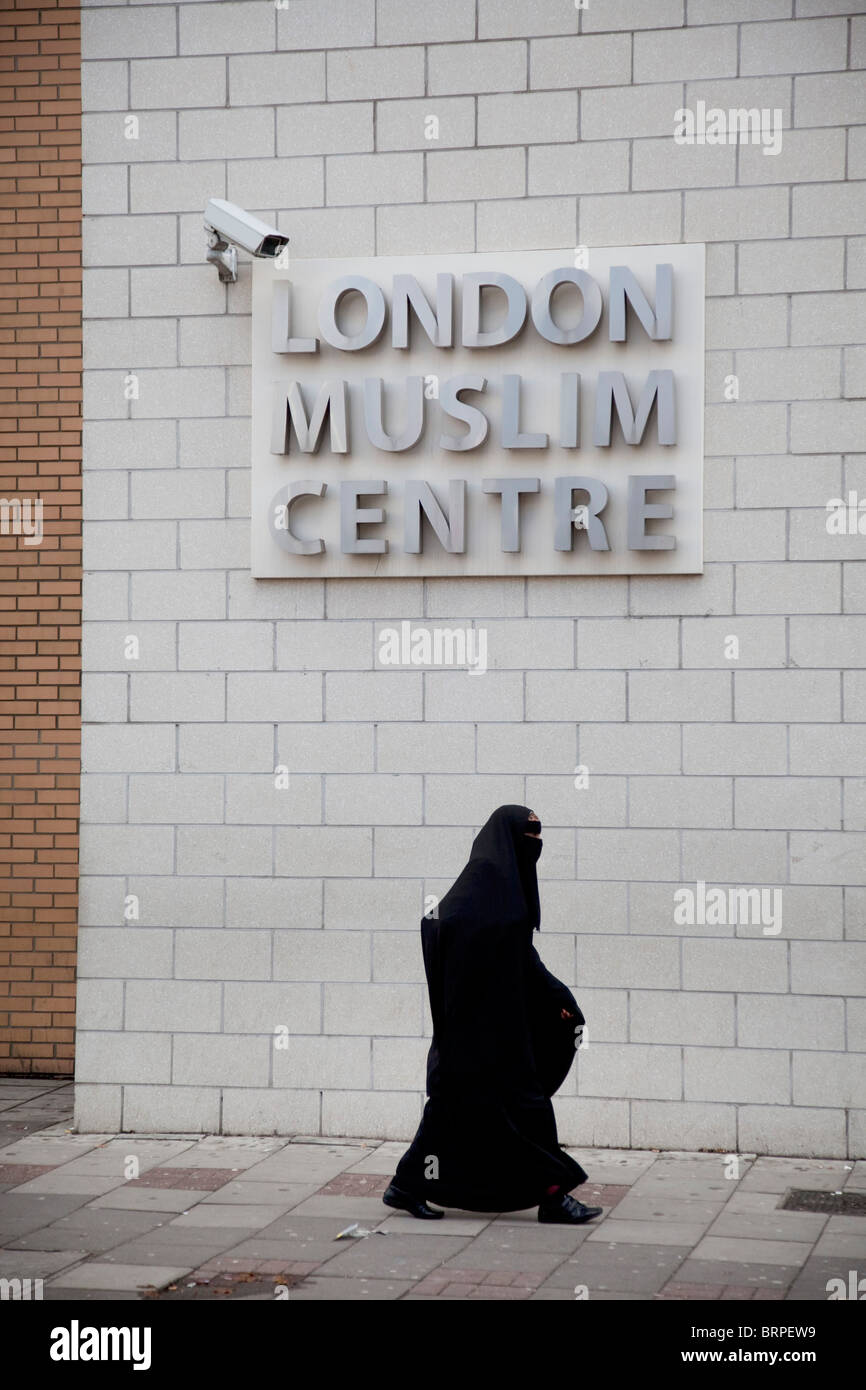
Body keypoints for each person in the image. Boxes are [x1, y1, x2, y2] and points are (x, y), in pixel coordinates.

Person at [383, 804, 602, 1225]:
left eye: (540, 837)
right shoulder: (485, 879)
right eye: (529, 837)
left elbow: (518, 957)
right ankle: (554, 1196)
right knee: (524, 1105)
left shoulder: (505, 884)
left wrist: (558, 998)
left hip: (498, 1028)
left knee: (453, 1111)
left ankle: (408, 1184)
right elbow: (439, 924)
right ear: (507, 838)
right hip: (479, 1032)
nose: (535, 846)